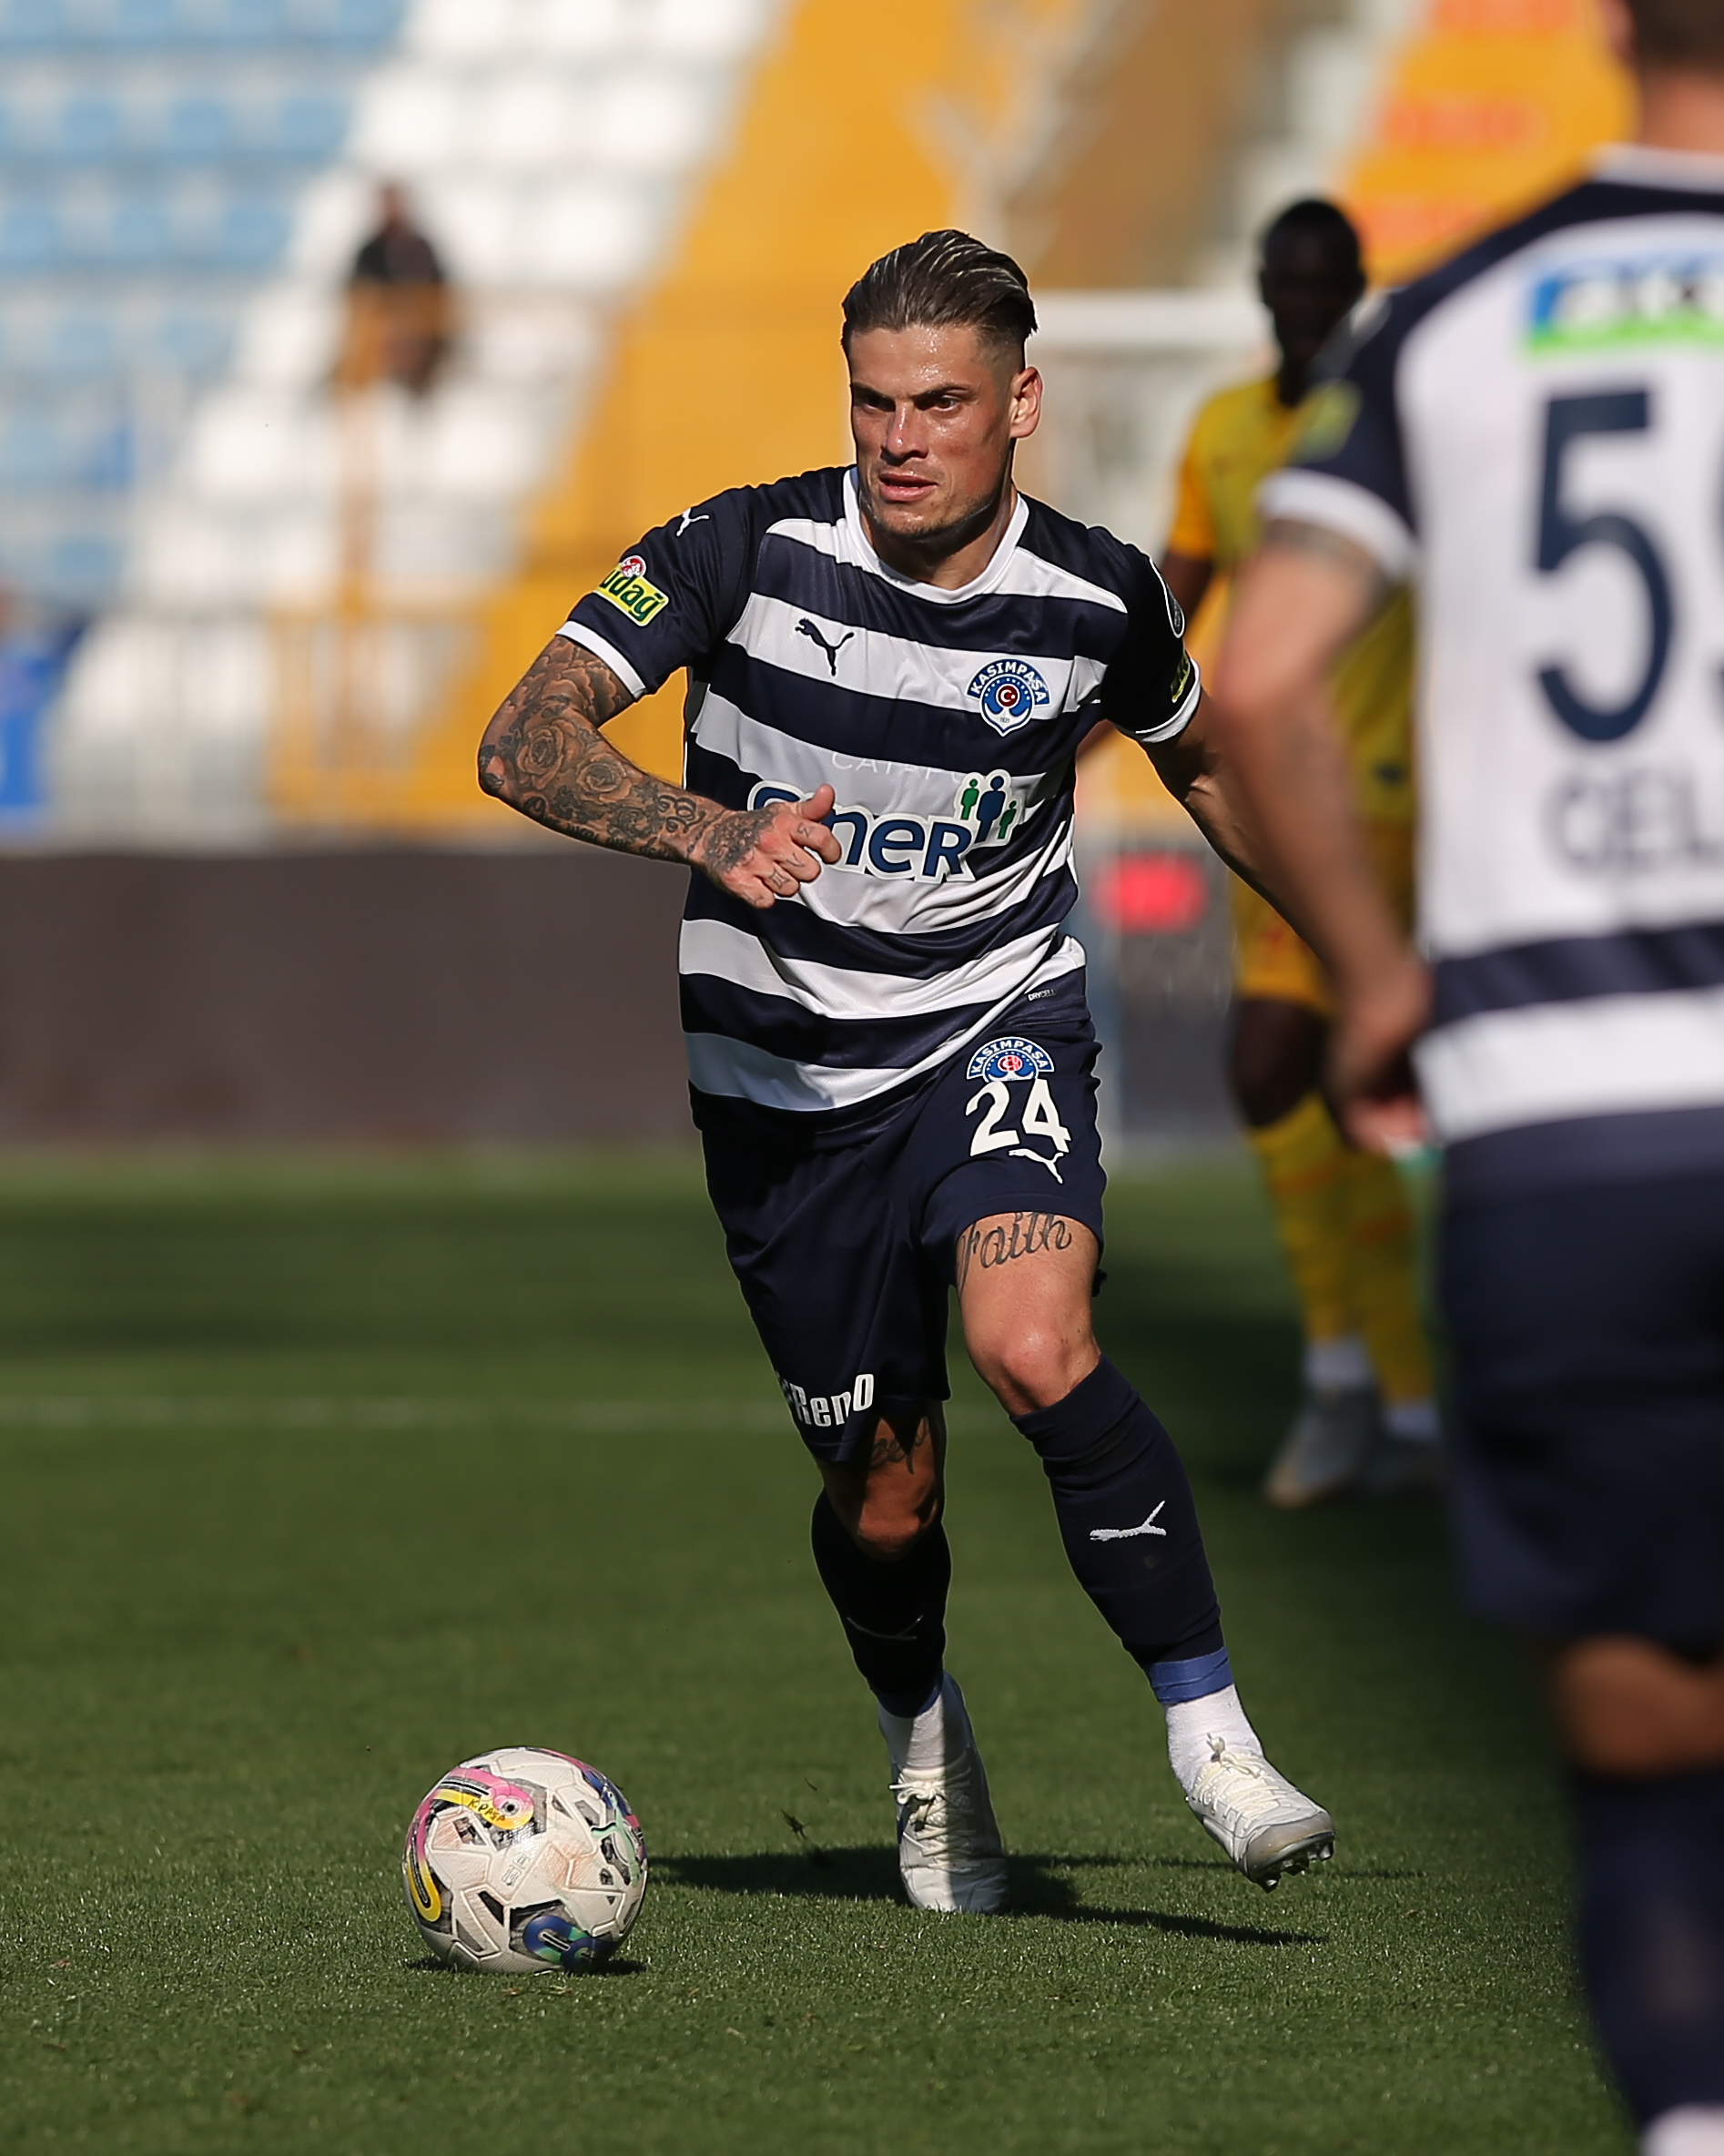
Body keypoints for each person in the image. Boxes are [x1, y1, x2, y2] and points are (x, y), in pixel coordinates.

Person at [477, 229, 1333, 1912]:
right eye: (871, 401)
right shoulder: (736, 549)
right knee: (885, 1497)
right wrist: (699, 826)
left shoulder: (1098, 597)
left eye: (937, 402)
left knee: (1034, 1344)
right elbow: (523, 734)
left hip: (990, 1020)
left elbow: (1209, 765)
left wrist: (1369, 964)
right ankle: (923, 1744)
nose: (897, 438)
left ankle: (1213, 1740)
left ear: (1019, 403)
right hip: (781, 1088)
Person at [1209, 1, 1724, 2142]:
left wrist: (1378, 975)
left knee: (1646, 1767)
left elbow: (1255, 682)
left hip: (1559, 1130)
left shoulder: (1455, 319)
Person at [1161, 199, 1438, 1510]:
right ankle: (1389, 1398)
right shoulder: (1221, 430)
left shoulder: (1392, 428)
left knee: (1291, 1069)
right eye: (1289, 283)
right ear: (1262, 288)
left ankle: (1362, 1386)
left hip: (1391, 807)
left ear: (1357, 290)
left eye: (1329, 285)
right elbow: (1167, 604)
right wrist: (1059, 718)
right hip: (1270, 812)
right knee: (1316, 1092)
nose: (1307, 306)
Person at [338, 182, 451, 397]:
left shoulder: (420, 247)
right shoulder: (369, 250)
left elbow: (439, 287)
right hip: (379, 331)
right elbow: (357, 290)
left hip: (421, 326)